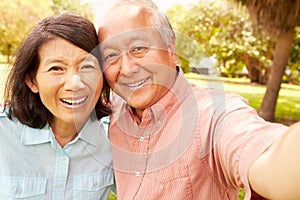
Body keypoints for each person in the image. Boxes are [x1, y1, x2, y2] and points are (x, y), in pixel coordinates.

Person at [96, 0, 300, 199]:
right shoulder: (116, 108)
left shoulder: (212, 115)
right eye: (111, 55)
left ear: (172, 50)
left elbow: (269, 161)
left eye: (138, 48)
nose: (128, 69)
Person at [0, 13, 114, 199]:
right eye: (56, 68)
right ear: (32, 81)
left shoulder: (113, 139)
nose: (75, 84)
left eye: (87, 67)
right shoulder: (3, 134)